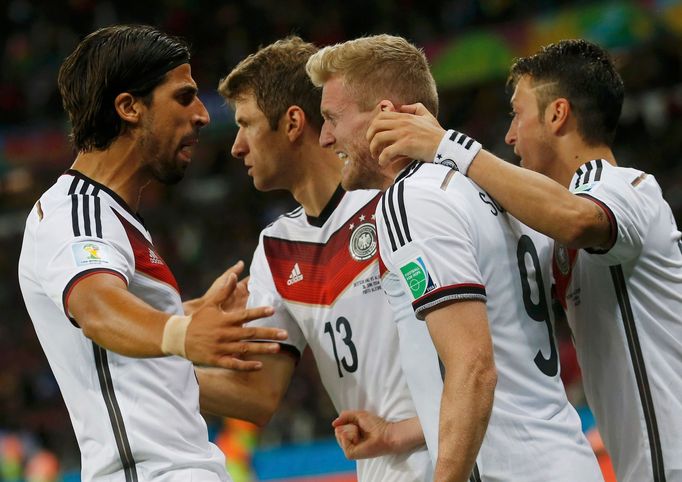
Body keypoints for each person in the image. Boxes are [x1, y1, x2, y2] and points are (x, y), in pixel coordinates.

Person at [365, 38, 682, 482]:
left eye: (517, 113)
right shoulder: (546, 232)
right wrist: (405, 434)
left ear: (558, 115)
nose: (510, 134)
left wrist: (448, 146)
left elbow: (574, 219)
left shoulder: (626, 187)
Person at [306, 34, 604, 482]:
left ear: (383, 116)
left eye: (332, 118)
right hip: (564, 458)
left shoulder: (410, 199)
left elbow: (475, 368)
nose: (326, 137)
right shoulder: (487, 186)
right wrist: (399, 434)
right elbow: (504, 366)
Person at [18, 25, 288, 482]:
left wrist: (185, 315)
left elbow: (114, 346)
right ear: (128, 108)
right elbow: (96, 309)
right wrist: (184, 331)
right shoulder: (76, 212)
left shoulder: (112, 220)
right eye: (184, 97)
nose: (203, 115)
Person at [195, 37, 433, 481]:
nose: (236, 147)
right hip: (381, 470)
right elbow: (258, 395)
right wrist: (159, 359)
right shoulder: (276, 247)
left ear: (292, 123)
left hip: (460, 457)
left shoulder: (394, 199)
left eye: (245, 124)